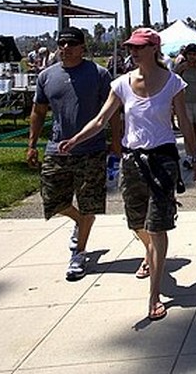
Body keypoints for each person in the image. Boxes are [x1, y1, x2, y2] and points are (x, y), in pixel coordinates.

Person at [58, 27, 196, 322]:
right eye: (131, 47)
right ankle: (150, 251)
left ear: (154, 48)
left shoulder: (173, 82)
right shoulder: (121, 84)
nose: (133, 52)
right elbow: (101, 120)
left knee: (158, 224)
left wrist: (194, 156)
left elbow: (184, 123)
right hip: (133, 162)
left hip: (163, 160)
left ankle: (154, 295)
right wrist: (75, 140)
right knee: (137, 222)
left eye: (139, 47)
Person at [26, 27, 120, 282]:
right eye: (61, 44)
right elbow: (38, 111)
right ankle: (79, 221)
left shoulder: (99, 74)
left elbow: (111, 112)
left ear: (83, 48)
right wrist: (32, 143)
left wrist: (116, 143)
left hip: (92, 150)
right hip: (57, 148)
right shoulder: (46, 76)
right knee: (53, 199)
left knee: (90, 202)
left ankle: (79, 254)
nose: (65, 48)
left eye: (71, 44)